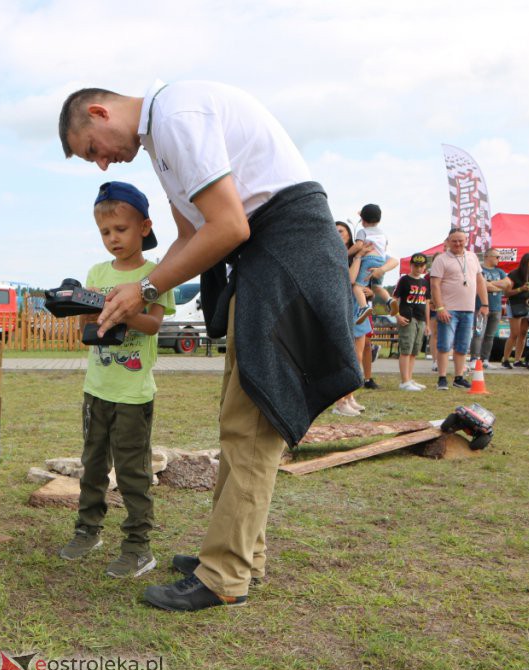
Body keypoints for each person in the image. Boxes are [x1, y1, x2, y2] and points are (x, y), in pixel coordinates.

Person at [59, 81, 360, 611]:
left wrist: (146, 288)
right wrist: (137, 291)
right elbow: (188, 237)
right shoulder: (162, 141)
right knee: (238, 415)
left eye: (91, 150)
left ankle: (225, 574)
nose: (102, 165)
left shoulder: (177, 115)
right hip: (264, 260)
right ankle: (241, 554)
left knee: (251, 424)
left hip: (285, 254)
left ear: (100, 113)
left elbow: (227, 225)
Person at [58, 181, 175, 578]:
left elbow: (154, 324)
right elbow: (86, 329)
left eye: (120, 230)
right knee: (92, 465)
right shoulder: (97, 271)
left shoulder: (154, 273)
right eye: (105, 232)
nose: (112, 239)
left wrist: (124, 310)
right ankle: (88, 530)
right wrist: (81, 306)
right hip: (96, 389)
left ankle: (139, 546)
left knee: (132, 472)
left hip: (133, 393)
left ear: (144, 226)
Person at [429, 230, 489, 389]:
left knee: (463, 345)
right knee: (445, 344)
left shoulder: (472, 257)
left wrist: (484, 303)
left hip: (468, 309)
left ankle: (459, 377)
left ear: (466, 240)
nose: (457, 244)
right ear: (448, 241)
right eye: (454, 241)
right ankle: (442, 378)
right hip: (449, 309)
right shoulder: (441, 260)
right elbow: (434, 285)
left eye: (460, 241)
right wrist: (440, 307)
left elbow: (480, 280)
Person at [332, 221, 368, 416]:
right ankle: (339, 402)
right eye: (335, 231)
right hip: (341, 306)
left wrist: (367, 290)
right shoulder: (333, 253)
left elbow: (362, 282)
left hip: (357, 306)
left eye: (342, 231)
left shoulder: (356, 255)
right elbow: (350, 279)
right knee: (343, 356)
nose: (339, 234)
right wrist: (358, 256)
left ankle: (349, 396)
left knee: (357, 356)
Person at [391, 254, 431, 390]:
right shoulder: (404, 280)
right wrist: (397, 315)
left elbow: (427, 303)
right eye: (416, 266)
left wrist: (428, 323)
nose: (419, 268)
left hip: (421, 319)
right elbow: (394, 298)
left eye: (421, 266)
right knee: (406, 349)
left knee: (414, 350)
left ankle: (409, 377)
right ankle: (404, 381)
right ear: (411, 265)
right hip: (407, 317)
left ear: (425, 267)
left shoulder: (425, 282)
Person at [352, 203, 394, 320]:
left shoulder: (362, 231)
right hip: (381, 261)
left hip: (369, 260)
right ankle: (389, 300)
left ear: (363, 220)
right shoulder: (383, 234)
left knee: (357, 287)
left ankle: (364, 307)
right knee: (377, 287)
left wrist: (346, 253)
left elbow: (358, 246)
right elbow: (384, 248)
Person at [469, 249, 509, 365]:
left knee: (490, 335)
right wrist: (496, 286)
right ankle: (474, 358)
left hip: (496, 309)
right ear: (488, 256)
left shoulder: (500, 271)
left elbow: (507, 284)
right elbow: (482, 285)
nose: (499, 259)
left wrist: (490, 284)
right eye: (497, 256)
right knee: (478, 333)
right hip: (481, 307)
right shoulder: (479, 270)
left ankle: (485, 359)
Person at [501, 252, 529, 368]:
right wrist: (520, 289)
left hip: (527, 305)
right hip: (514, 305)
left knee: (523, 333)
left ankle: (517, 360)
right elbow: (506, 293)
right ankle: (506, 359)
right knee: (515, 333)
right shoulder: (514, 274)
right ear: (527, 261)